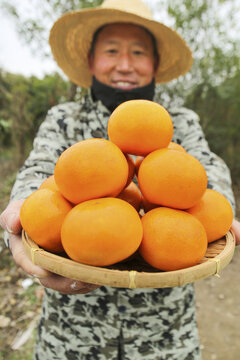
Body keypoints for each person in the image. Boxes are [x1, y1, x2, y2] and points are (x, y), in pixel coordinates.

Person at [0, 0, 240, 359]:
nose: (125, 64)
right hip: (72, 339)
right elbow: (40, 172)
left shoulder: (180, 121)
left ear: (154, 64)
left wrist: (221, 211)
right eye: (112, 51)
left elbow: (206, 172)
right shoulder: (64, 119)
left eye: (138, 52)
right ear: (91, 61)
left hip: (165, 337)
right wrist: (21, 211)